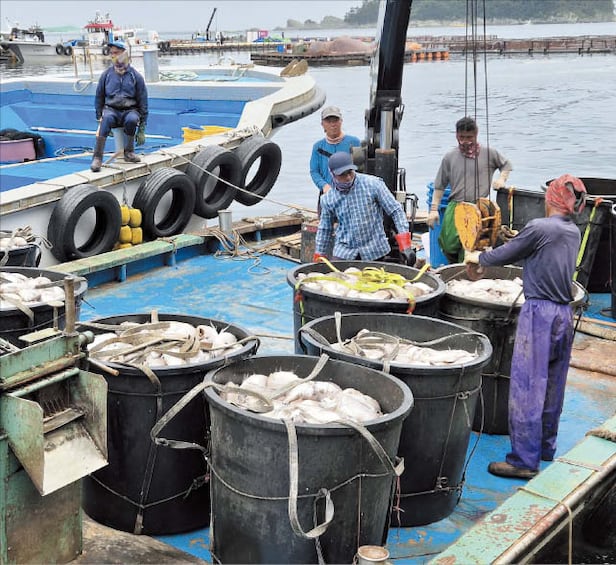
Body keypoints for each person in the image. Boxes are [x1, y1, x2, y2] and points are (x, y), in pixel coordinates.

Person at [465, 174, 587, 479]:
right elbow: (533, 249)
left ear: (551, 198)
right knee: (553, 384)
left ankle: (523, 461)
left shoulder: (540, 227)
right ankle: (545, 447)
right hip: (563, 313)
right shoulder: (572, 231)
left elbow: (505, 255)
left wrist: (477, 256)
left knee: (528, 386)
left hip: (539, 314)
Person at [429, 116, 512, 263]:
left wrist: (501, 179)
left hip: (479, 206)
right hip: (456, 205)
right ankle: (454, 263)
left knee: (471, 245)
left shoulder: (489, 153)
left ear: (476, 134)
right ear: (456, 135)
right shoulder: (449, 157)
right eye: (461, 137)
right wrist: (434, 209)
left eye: (469, 137)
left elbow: (506, 165)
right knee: (448, 243)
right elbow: (439, 185)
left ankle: (466, 268)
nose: (465, 141)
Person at [313, 152, 414, 265]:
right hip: (345, 251)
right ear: (332, 174)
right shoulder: (328, 199)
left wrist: (405, 244)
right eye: (342, 175)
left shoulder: (373, 184)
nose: (348, 177)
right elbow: (325, 229)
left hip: (374, 249)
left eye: (350, 172)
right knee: (336, 274)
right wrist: (319, 255)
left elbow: (396, 210)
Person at [91, 40, 148, 172]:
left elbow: (143, 100)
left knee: (132, 120)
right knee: (106, 119)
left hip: (130, 110)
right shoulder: (106, 75)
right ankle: (97, 157)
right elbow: (99, 96)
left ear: (124, 53)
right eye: (111, 53)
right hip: (111, 110)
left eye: (116, 53)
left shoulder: (135, 76)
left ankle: (129, 152)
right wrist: (99, 116)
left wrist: (142, 127)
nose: (113, 56)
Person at [310, 106, 361, 211]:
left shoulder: (354, 142)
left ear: (341, 121)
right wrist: (324, 186)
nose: (333, 124)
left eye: (335, 120)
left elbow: (360, 168)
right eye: (328, 121)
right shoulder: (318, 147)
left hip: (350, 192)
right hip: (327, 192)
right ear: (322, 124)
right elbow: (314, 171)